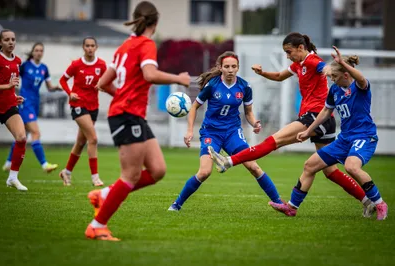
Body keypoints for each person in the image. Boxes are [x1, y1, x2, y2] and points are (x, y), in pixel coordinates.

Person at [209, 32, 376, 217]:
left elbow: (326, 68)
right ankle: (367, 201)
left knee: (274, 140)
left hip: (315, 116)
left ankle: (229, 161)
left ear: (301, 48)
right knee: (329, 171)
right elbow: (280, 76)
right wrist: (263, 72)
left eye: (289, 52)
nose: (288, 56)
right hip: (321, 119)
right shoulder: (299, 64)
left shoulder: (313, 61)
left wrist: (335, 67)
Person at [84, 1, 191, 241]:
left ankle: (105, 194)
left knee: (157, 170)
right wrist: (180, 78)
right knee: (131, 175)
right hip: (126, 114)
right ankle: (97, 225)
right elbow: (150, 75)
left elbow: (103, 83)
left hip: (132, 114)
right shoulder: (145, 44)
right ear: (155, 22)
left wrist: (122, 95)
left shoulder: (125, 46)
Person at [269, 46, 388, 220]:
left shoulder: (360, 87)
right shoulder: (334, 90)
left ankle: (379, 204)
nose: (332, 79)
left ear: (346, 74)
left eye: (335, 76)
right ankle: (292, 207)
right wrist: (308, 131)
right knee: (310, 166)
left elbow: (361, 77)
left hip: (364, 136)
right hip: (345, 139)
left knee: (351, 166)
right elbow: (325, 112)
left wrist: (343, 63)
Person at [168, 51, 283, 211]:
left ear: (238, 68)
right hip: (211, 133)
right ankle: (177, 204)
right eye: (227, 66)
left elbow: (248, 112)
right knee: (204, 172)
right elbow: (194, 106)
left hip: (232, 133)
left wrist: (254, 123)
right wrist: (189, 131)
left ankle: (279, 202)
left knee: (254, 167)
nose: (230, 69)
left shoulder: (244, 86)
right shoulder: (212, 85)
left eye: (234, 66)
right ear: (221, 68)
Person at [2, 42, 60, 173]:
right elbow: (12, 77)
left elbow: (49, 87)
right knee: (35, 132)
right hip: (24, 102)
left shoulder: (44, 68)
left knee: (23, 134)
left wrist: (56, 88)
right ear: (32, 52)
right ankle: (45, 165)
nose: (39, 52)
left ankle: (8, 163)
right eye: (37, 50)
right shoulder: (25, 66)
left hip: (35, 103)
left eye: (41, 50)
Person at [58, 37, 106, 187]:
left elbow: (106, 81)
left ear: (96, 47)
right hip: (78, 104)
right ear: (83, 47)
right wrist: (69, 93)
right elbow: (62, 80)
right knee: (93, 139)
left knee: (81, 142)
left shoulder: (101, 65)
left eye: (92, 46)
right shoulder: (76, 64)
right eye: (87, 46)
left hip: (93, 107)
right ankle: (95, 178)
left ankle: (66, 172)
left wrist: (103, 85)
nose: (90, 48)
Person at [0, 29, 27, 191]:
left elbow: (10, 86)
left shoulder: (18, 61)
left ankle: (13, 178)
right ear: (0, 42)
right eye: (6, 39)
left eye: (13, 39)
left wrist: (14, 96)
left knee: (21, 137)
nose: (11, 42)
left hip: (7, 105)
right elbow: (5, 84)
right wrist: (7, 87)